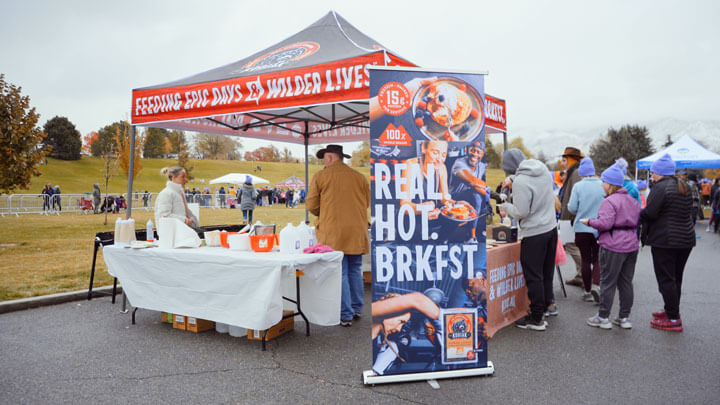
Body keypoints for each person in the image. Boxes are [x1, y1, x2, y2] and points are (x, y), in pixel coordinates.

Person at [306, 144, 370, 327]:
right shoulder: (360, 177)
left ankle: (346, 314)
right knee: (355, 269)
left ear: (329, 158)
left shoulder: (321, 176)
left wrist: (325, 213)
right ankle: (357, 307)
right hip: (357, 230)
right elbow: (365, 202)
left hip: (334, 231)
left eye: (324, 159)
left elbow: (311, 205)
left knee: (340, 271)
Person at [580, 162, 641, 330]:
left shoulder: (609, 202)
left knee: (607, 282)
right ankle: (624, 318)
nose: (602, 184)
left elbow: (605, 224)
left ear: (610, 184)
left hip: (613, 245)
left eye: (604, 182)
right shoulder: (632, 200)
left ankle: (603, 317)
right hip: (631, 244)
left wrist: (590, 222)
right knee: (626, 282)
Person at [500, 157, 558, 331]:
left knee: (534, 276)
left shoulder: (521, 182)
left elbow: (521, 211)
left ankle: (536, 317)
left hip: (534, 233)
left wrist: (505, 205)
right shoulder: (543, 172)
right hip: (551, 228)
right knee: (546, 272)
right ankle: (548, 306)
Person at [640, 154, 695, 332]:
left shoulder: (660, 187)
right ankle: (672, 311)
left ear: (659, 173)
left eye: (653, 172)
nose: (652, 176)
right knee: (676, 278)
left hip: (665, 240)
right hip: (685, 239)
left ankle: (672, 318)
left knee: (666, 279)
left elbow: (650, 213)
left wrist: (637, 212)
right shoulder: (684, 186)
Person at [371, 292, 441, 375]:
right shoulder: (372, 309)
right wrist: (442, 317)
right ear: (388, 312)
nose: (399, 329)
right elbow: (417, 299)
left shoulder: (387, 347)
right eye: (400, 322)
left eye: (402, 324)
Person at [567, 157, 605, 303]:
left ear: (582, 173)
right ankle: (597, 285)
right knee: (597, 259)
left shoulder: (578, 186)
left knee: (585, 259)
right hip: (599, 227)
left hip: (582, 227)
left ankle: (587, 291)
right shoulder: (602, 184)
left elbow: (572, 208)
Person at [449, 140, 490, 242]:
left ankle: (482, 231)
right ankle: (471, 237)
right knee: (477, 196)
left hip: (471, 194)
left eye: (478, 152)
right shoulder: (459, 163)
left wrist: (488, 193)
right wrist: (489, 191)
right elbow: (472, 181)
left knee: (479, 195)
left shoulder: (481, 166)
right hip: (454, 197)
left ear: (482, 154)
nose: (474, 154)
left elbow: (476, 186)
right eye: (472, 150)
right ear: (467, 150)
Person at [558, 147, 585, 288]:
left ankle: (586, 274)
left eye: (564, 160)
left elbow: (575, 198)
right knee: (573, 245)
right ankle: (581, 274)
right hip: (569, 216)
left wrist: (571, 217)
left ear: (571, 159)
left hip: (570, 217)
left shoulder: (575, 173)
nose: (562, 163)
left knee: (571, 245)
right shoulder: (574, 172)